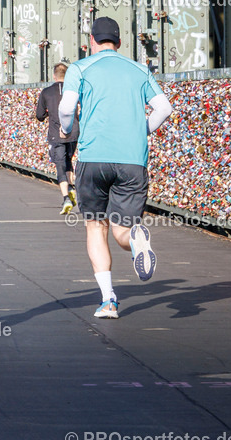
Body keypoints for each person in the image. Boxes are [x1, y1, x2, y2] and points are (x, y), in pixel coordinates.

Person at [59, 16, 172, 320]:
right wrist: (142, 130)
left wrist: (67, 130)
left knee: (96, 225)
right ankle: (136, 239)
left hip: (93, 157)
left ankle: (109, 300)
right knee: (123, 228)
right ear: (120, 43)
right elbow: (165, 108)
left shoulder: (80, 68)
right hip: (132, 160)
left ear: (91, 41)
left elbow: (67, 108)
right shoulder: (138, 69)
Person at [35, 62, 78, 215]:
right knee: (68, 159)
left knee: (59, 164)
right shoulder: (73, 91)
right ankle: (71, 186)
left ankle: (66, 197)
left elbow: (39, 115)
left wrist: (48, 112)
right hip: (73, 131)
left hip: (55, 133)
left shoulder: (47, 92)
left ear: (54, 76)